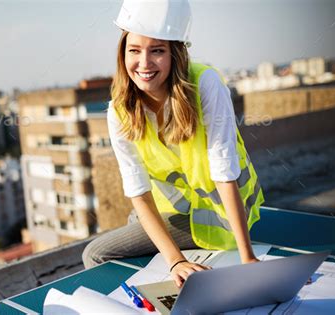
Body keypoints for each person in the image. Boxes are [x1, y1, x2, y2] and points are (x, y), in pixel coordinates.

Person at [82, 0, 264, 288]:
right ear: (122, 53)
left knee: (96, 253)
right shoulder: (119, 111)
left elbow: (224, 173)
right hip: (173, 213)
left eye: (157, 50)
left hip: (217, 214)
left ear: (175, 54)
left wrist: (248, 258)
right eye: (134, 50)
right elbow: (139, 194)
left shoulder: (205, 84)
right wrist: (176, 260)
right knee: (134, 219)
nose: (144, 63)